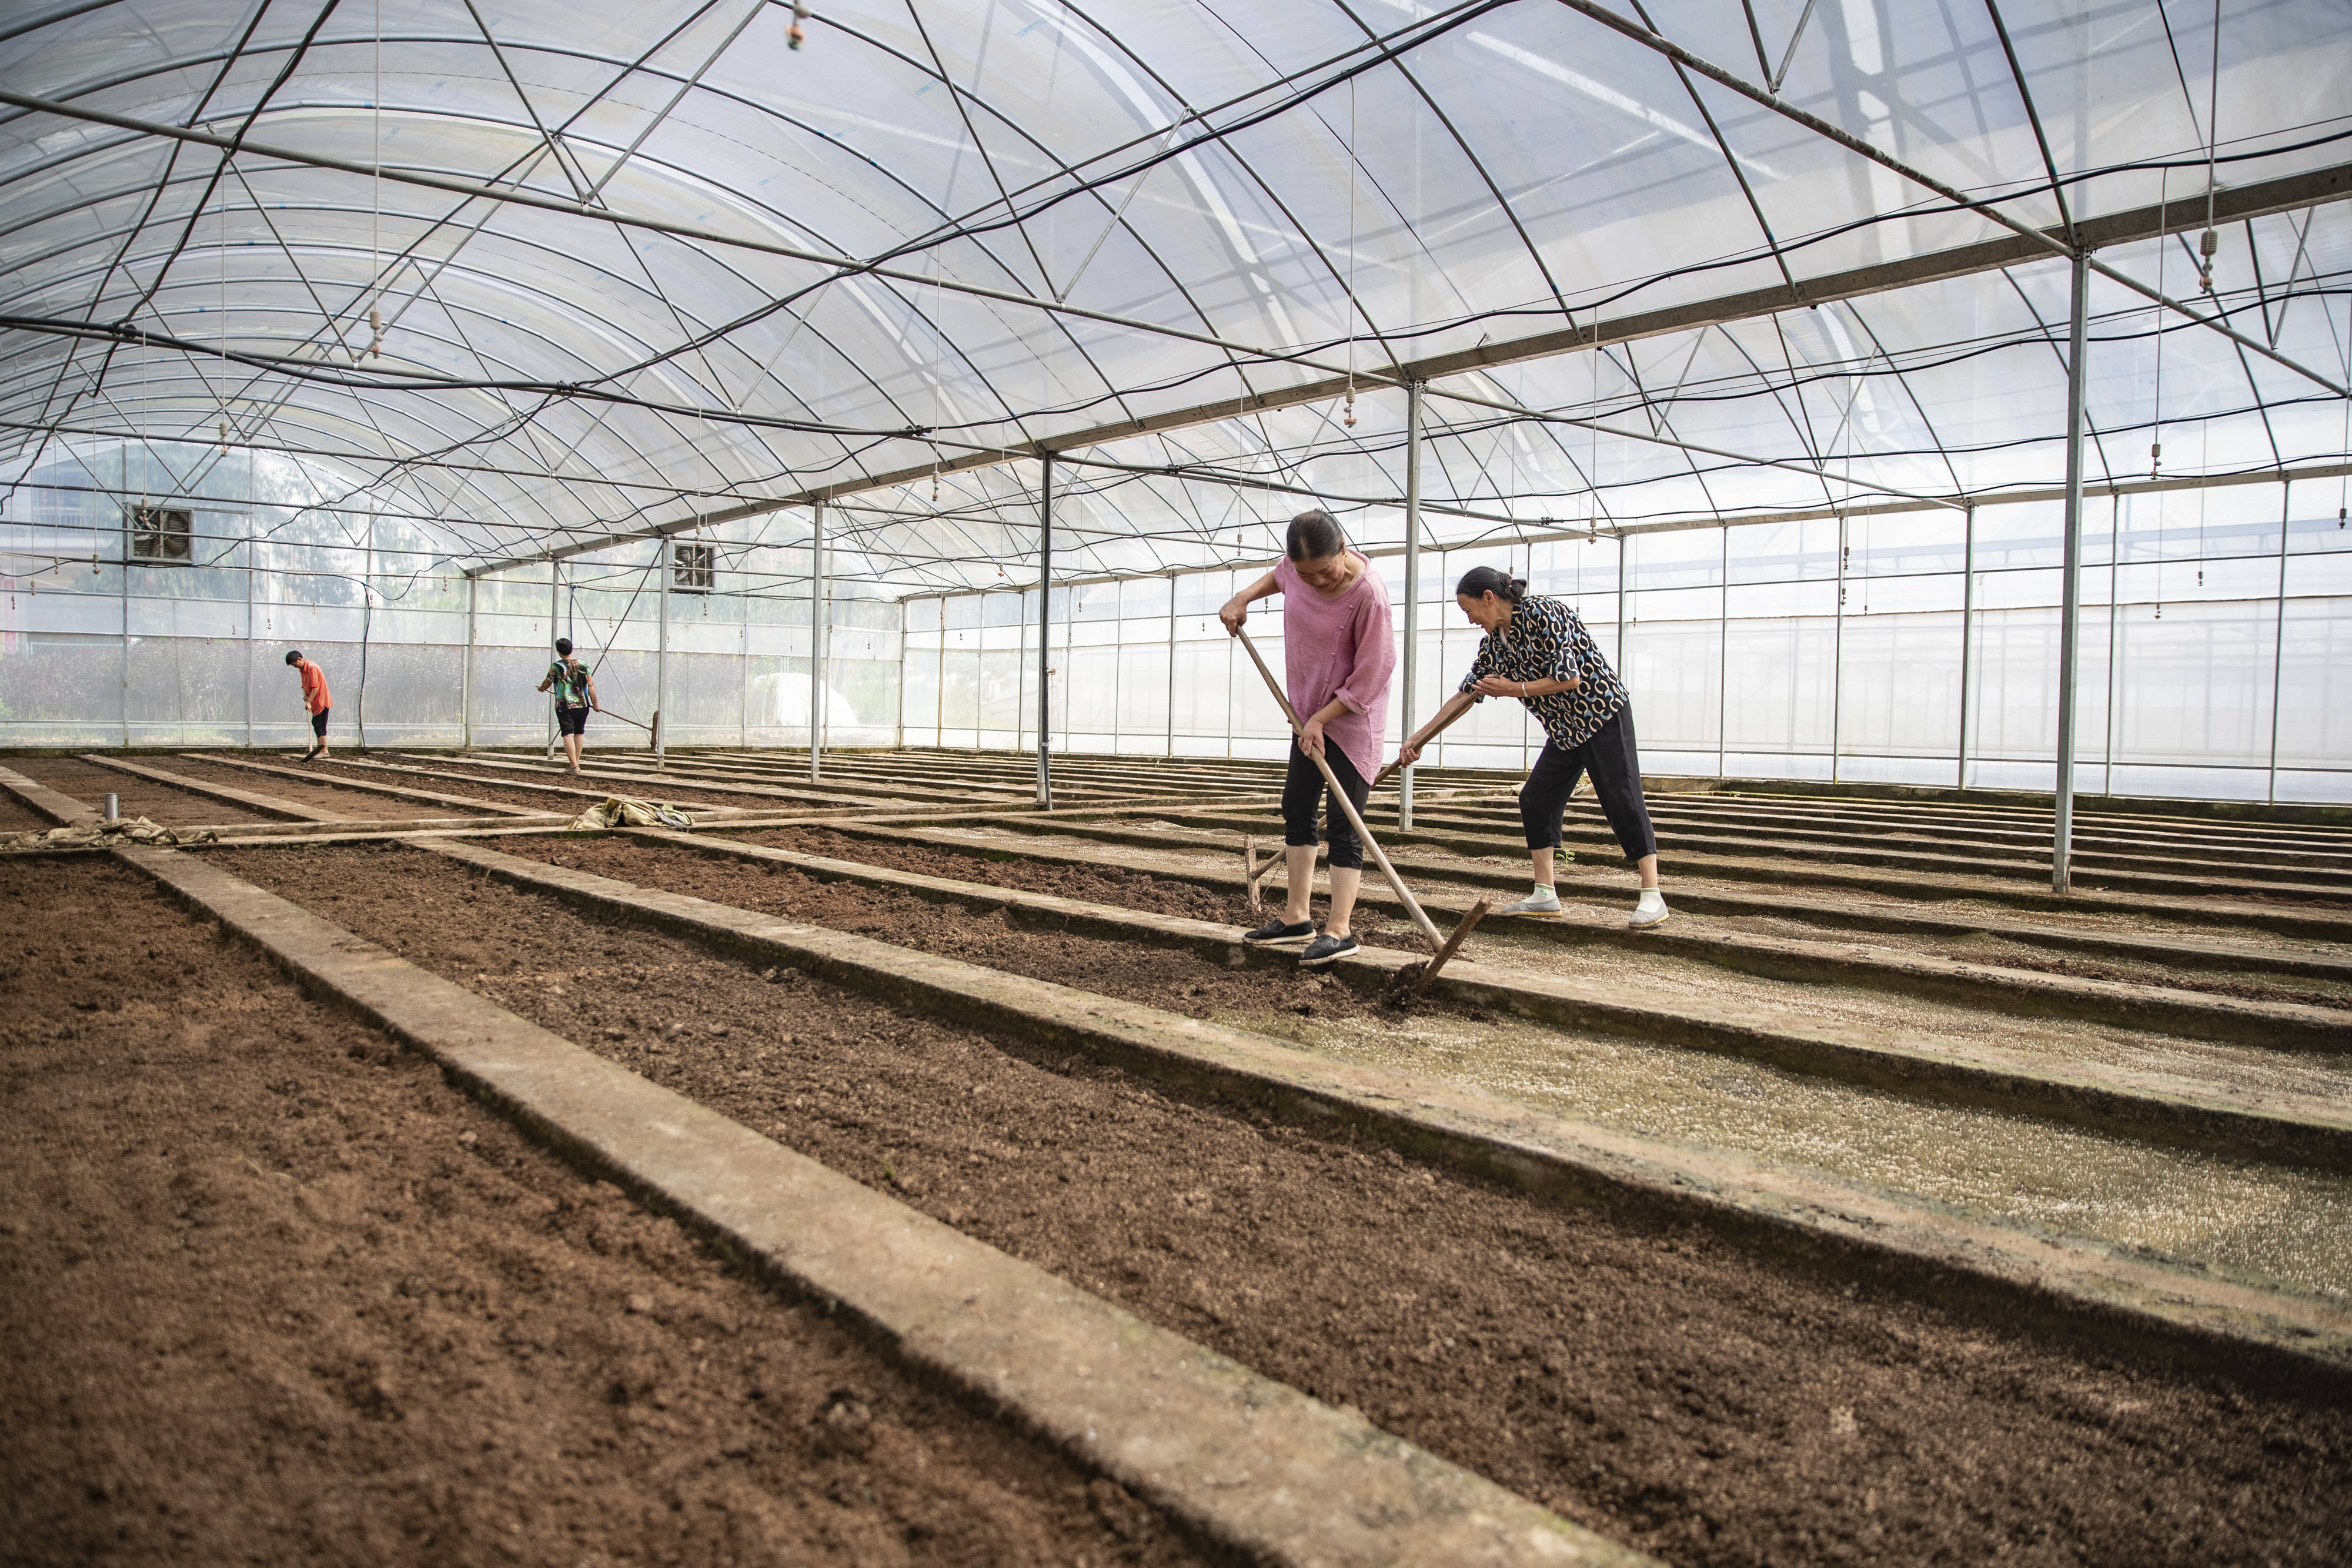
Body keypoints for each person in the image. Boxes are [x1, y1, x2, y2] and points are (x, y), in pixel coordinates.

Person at [1396, 566, 1668, 928]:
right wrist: (1420, 738)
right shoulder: (1495, 643)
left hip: (1601, 715)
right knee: (1536, 798)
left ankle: (1653, 895)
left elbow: (1568, 678)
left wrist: (1514, 689)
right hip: (1565, 729)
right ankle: (1545, 893)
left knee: (1623, 799)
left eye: (1470, 610)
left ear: (1489, 599)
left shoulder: (1544, 614)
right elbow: (1467, 694)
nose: (1471, 619)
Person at [1218, 509, 1395, 967]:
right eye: (1306, 573)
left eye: (1325, 570)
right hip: (1306, 717)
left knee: (1344, 821)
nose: (1316, 581)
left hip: (1352, 720)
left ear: (1343, 549)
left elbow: (1373, 673)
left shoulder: (1369, 594)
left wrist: (1324, 717)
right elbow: (1279, 577)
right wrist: (1242, 599)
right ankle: (1297, 917)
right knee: (1297, 807)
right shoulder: (1295, 571)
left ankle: (1340, 929)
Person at [536, 637, 600, 774]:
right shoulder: (584, 664)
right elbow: (590, 685)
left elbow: (547, 683)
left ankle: (574, 766)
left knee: (568, 735)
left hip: (565, 706)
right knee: (579, 733)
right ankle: (575, 764)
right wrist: (595, 703)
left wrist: (541, 688)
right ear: (571, 649)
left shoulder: (557, 666)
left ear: (559, 652)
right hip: (583, 705)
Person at [285, 649, 332, 761]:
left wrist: (309, 702)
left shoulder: (312, 667)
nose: (294, 667)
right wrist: (306, 695)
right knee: (316, 723)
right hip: (315, 701)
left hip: (321, 700)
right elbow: (306, 685)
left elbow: (316, 687)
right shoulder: (303, 669)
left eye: (294, 664)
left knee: (320, 725)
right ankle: (321, 750)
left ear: (300, 659)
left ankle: (324, 751)